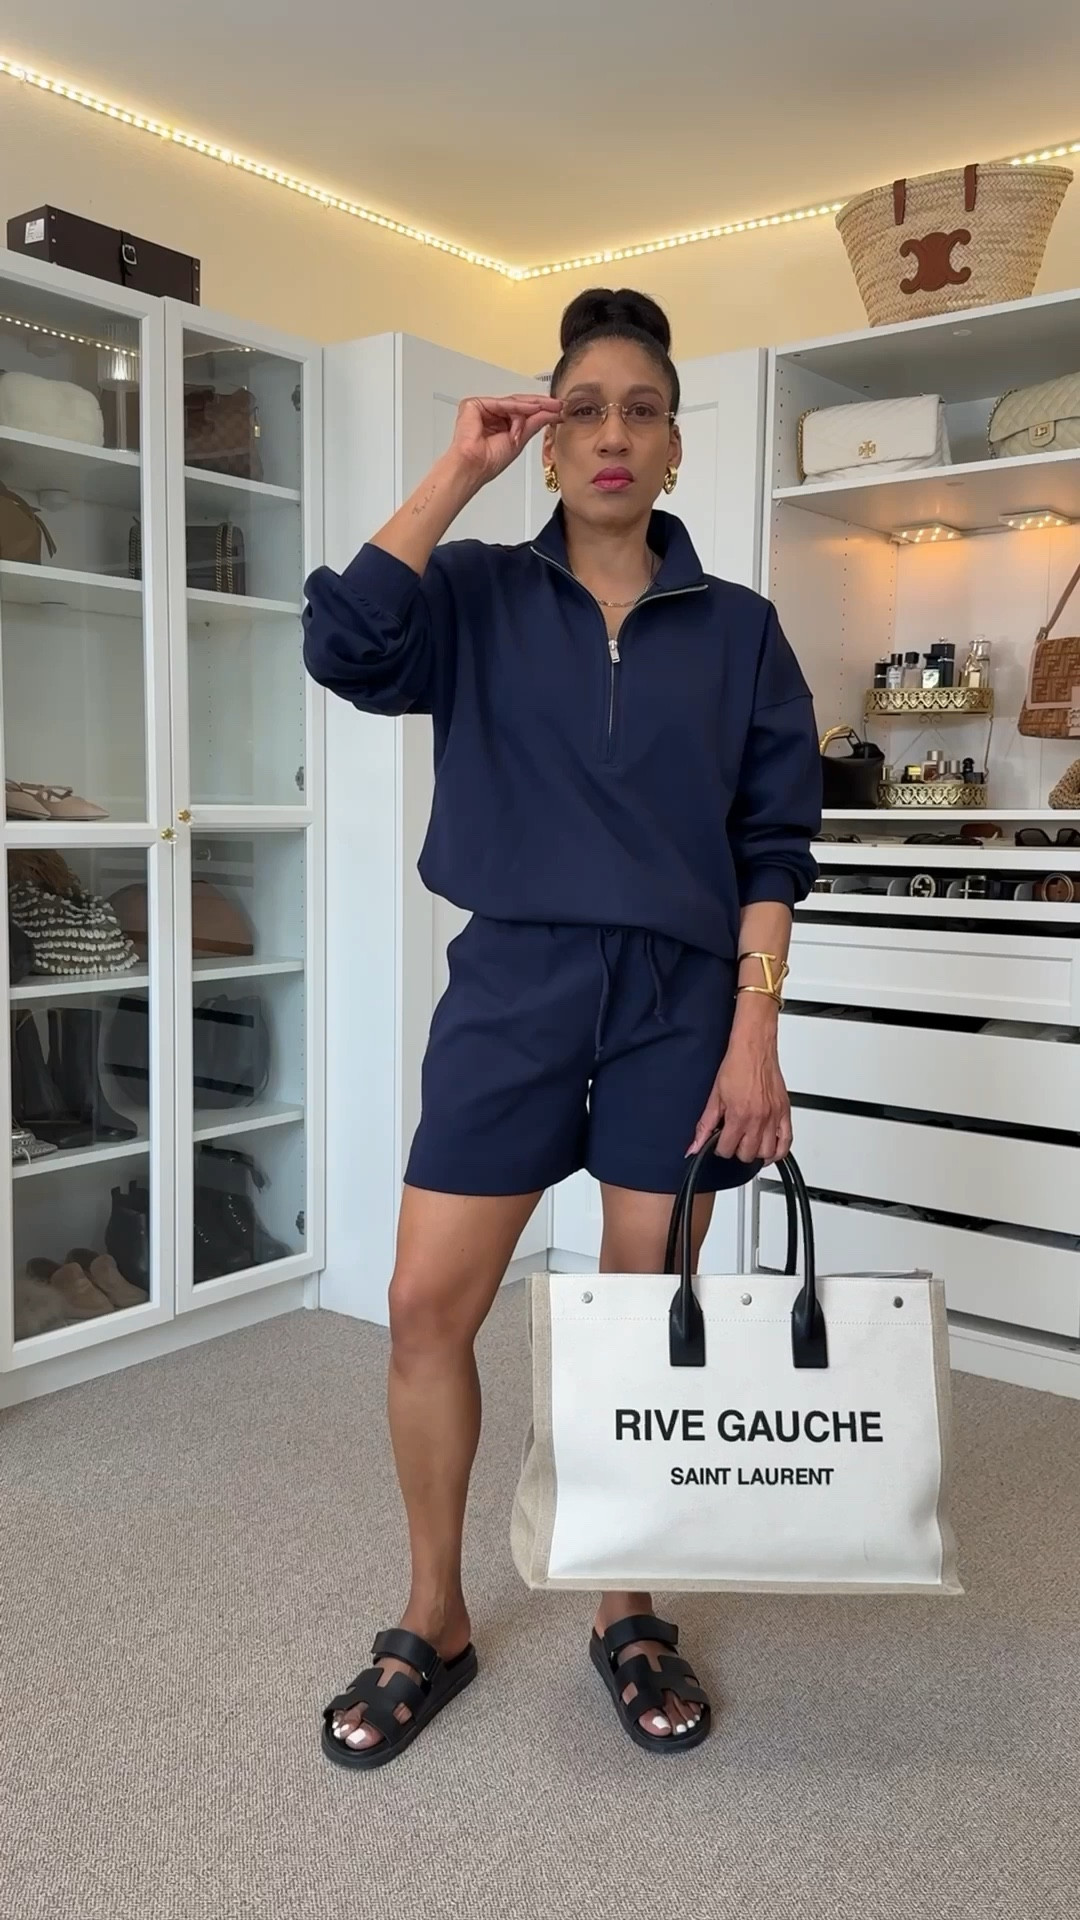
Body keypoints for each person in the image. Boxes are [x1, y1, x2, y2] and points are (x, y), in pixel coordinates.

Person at [303, 288, 820, 1768]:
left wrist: (755, 1035)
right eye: (581, 408)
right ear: (544, 441)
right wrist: (453, 469)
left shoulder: (740, 630)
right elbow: (345, 647)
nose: (611, 433)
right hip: (512, 988)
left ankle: (623, 1604)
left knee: (638, 1315)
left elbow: (773, 845)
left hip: (682, 1005)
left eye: (641, 410)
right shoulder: (470, 592)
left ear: (674, 447)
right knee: (425, 1305)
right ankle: (434, 1614)